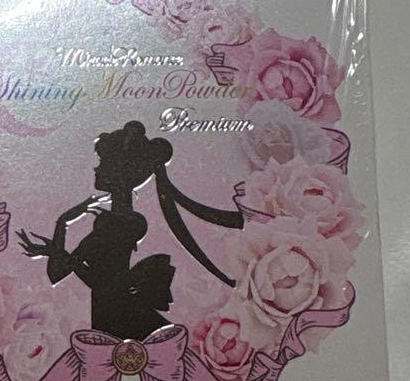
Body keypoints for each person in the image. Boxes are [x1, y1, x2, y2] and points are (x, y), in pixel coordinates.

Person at [18, 120, 243, 340]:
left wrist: (62, 232)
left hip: (119, 315)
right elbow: (60, 272)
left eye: (102, 161)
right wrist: (62, 231)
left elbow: (90, 280)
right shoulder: (114, 222)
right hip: (114, 313)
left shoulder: (118, 224)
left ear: (119, 170)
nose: (96, 168)